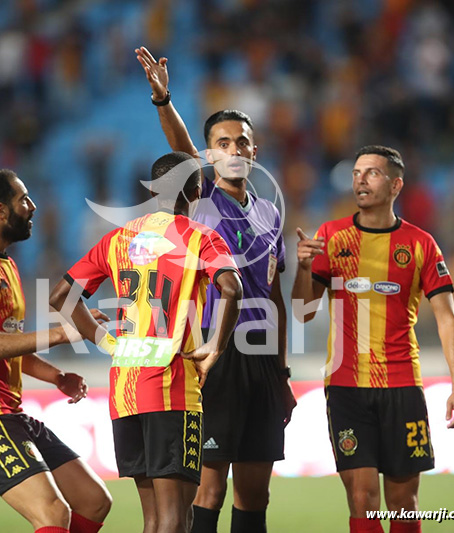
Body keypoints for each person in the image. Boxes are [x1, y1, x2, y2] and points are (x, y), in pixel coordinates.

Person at [135, 46, 296, 533]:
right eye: (221, 143)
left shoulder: (270, 214)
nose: (232, 150)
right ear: (208, 155)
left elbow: (274, 298)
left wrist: (283, 372)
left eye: (241, 142)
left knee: (255, 490)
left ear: (254, 151)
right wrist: (164, 101)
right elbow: (181, 147)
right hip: (214, 356)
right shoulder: (200, 198)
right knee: (210, 487)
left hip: (263, 361)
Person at [49, 151, 243, 533]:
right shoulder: (200, 237)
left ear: (153, 191)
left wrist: (104, 341)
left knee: (153, 518)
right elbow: (232, 289)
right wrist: (215, 348)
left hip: (124, 390)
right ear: (197, 190)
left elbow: (60, 297)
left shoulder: (119, 238)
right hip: (173, 386)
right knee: (176, 517)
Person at [292, 146, 454, 533]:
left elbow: (447, 318)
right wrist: (304, 268)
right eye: (357, 172)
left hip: (402, 384)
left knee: (403, 502)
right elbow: (303, 311)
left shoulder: (421, 244)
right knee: (363, 498)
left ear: (396, 185)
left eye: (372, 172)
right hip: (346, 387)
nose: (360, 179)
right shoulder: (331, 236)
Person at [0, 169, 112, 533]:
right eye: (24, 200)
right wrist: (62, 334)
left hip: (8, 411)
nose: (32, 207)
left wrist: (56, 377)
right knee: (52, 512)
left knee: (94, 501)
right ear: (1, 210)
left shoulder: (5, 264)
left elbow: (7, 344)